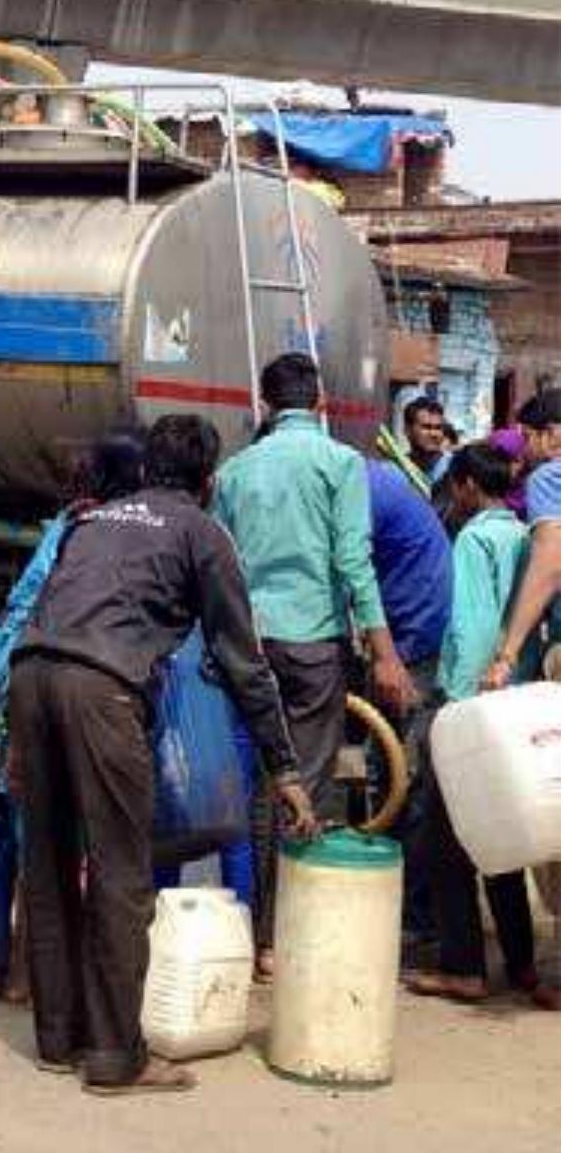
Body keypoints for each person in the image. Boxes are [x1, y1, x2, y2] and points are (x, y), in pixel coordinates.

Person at [9, 415, 316, 1094]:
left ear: (147, 469)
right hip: (101, 690)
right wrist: (284, 769)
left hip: (29, 679)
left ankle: (58, 1039)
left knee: (49, 863)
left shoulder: (91, 521)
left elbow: (48, 612)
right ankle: (117, 1057)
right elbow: (244, 662)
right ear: (209, 482)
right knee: (121, 875)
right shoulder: (203, 534)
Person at [213, 354, 414, 969]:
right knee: (309, 784)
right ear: (319, 402)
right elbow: (355, 563)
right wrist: (385, 655)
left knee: (259, 784)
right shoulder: (340, 463)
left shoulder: (235, 471)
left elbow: (220, 566)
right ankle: (287, 934)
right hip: (313, 645)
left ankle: (258, 934)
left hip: (248, 645)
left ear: (266, 406)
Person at [0, 430, 146, 1003]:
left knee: (35, 827)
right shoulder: (104, 531)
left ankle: (25, 971)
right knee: (66, 831)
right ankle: (39, 974)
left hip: (9, 670)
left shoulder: (71, 519)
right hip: (42, 675)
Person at [407, 442, 547, 1005]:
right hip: (519, 704)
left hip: (474, 706)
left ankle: (463, 965)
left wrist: (452, 702)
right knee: (505, 840)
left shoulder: (472, 539)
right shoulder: (525, 535)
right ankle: (521, 967)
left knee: (448, 839)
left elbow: (468, 627)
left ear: (466, 485)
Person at [364, 458, 453, 951]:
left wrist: (385, 657)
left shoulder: (362, 493)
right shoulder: (376, 480)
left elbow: (349, 565)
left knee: (404, 780)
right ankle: (410, 910)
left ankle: (414, 915)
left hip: (411, 645)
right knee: (395, 775)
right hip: (409, 637)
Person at [484, 389, 561, 691]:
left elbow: (550, 564)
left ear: (552, 435)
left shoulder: (550, 477)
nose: (524, 451)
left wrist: (507, 655)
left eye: (527, 438)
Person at [401, 395, 453, 488]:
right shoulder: (399, 468)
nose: (434, 434)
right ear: (407, 430)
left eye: (438, 428)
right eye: (426, 427)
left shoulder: (453, 468)